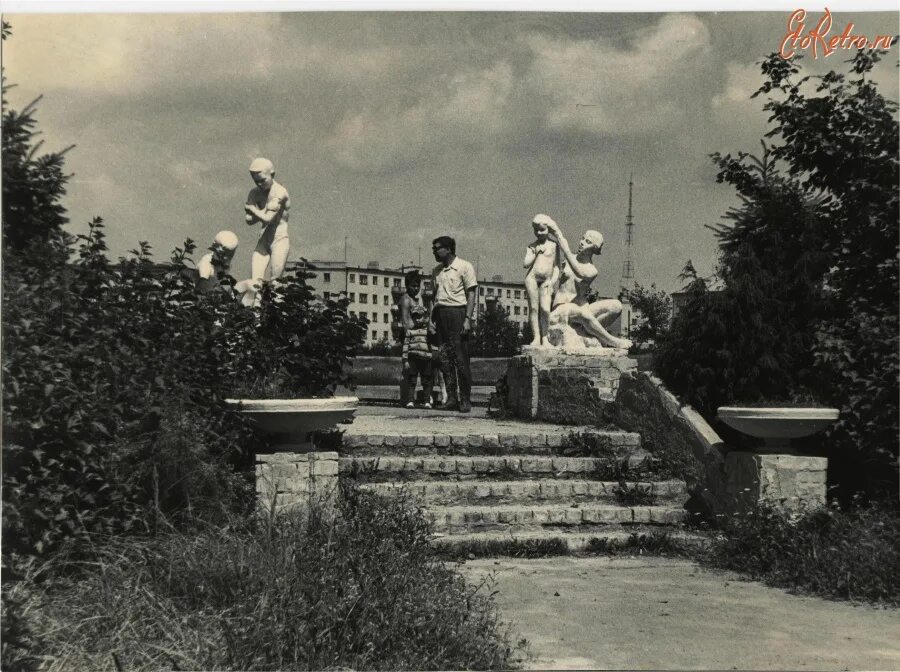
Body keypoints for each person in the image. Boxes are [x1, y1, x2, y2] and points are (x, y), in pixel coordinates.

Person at [545, 219, 632, 349]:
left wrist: (566, 250)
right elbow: (557, 240)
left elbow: (580, 273)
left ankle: (589, 331)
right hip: (562, 308)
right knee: (583, 314)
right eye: (583, 239)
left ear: (595, 248)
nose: (582, 243)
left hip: (580, 309)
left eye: (588, 242)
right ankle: (611, 340)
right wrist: (551, 231)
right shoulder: (567, 260)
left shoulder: (591, 271)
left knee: (617, 306)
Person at [430, 235, 477, 413]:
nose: (434, 251)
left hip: (457, 314)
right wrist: (430, 321)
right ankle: (451, 398)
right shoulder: (436, 271)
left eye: (437, 248)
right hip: (440, 315)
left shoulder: (465, 266)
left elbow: (471, 294)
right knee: (445, 359)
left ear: (448, 249)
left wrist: (467, 319)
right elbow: (433, 298)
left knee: (461, 359)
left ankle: (465, 399)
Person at [244, 157, 291, 283]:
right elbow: (249, 220)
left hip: (279, 238)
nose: (259, 184)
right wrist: (259, 211)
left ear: (272, 174)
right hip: (264, 239)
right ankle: (256, 302)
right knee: (255, 280)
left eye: (263, 180)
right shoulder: (254, 193)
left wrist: (252, 209)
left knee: (276, 281)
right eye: (256, 181)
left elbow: (267, 218)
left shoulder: (280, 192)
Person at [523, 214, 561, 346]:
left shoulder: (554, 245)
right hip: (532, 279)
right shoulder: (532, 246)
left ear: (548, 229)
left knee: (545, 309)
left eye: (542, 230)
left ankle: (545, 338)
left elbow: (557, 267)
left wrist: (552, 282)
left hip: (546, 281)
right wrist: (535, 253)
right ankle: (536, 338)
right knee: (534, 308)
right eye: (536, 230)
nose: (539, 233)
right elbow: (526, 264)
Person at [401, 305, 434, 409]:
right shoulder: (410, 331)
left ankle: (427, 401)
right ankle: (410, 400)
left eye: (419, 316)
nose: (417, 319)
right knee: (412, 380)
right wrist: (405, 360)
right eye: (415, 317)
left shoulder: (428, 331)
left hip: (426, 359)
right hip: (413, 358)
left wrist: (432, 356)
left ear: (425, 318)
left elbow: (433, 344)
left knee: (426, 380)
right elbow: (405, 345)